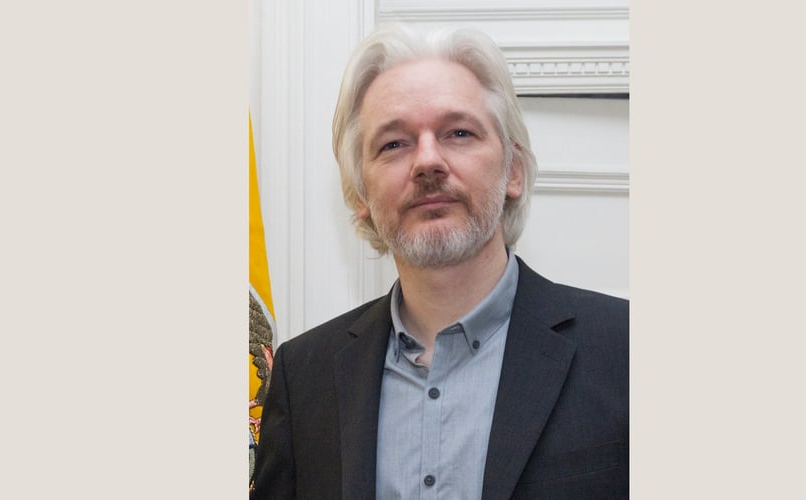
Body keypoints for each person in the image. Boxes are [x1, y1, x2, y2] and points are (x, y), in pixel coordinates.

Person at [250, 23, 628, 500]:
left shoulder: (626, 351)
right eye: (394, 143)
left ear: (513, 170)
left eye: (459, 133)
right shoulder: (304, 377)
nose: (427, 161)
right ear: (360, 193)